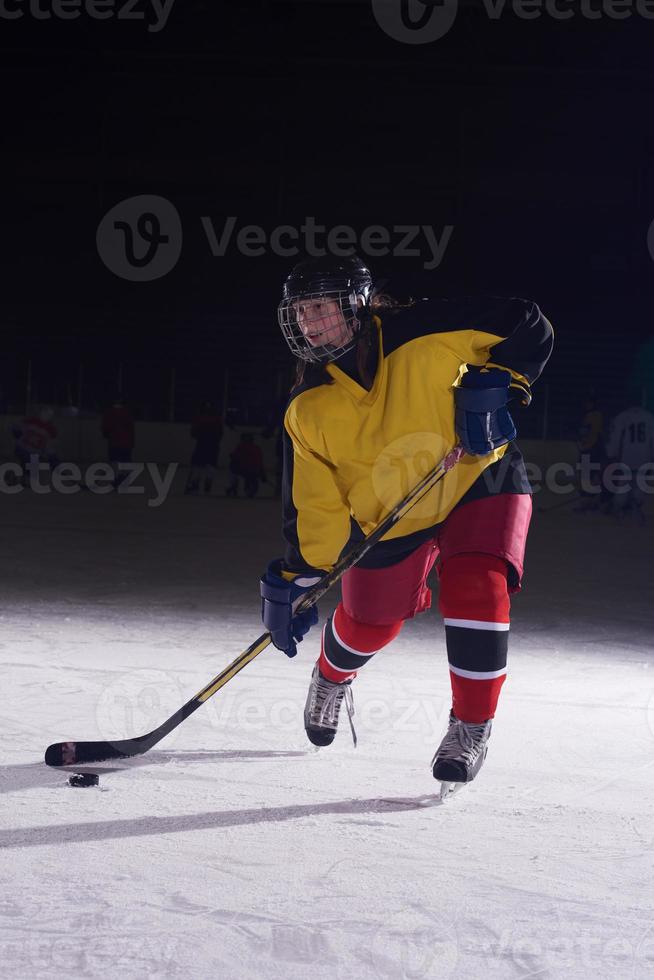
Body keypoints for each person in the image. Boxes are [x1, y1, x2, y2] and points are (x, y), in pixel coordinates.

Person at [259, 254, 553, 798]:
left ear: (357, 302)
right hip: (393, 514)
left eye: (320, 307)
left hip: (476, 477)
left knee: (478, 585)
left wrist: (498, 381)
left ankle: (470, 726)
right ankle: (331, 677)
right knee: (370, 621)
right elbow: (315, 505)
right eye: (299, 313)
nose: (308, 322)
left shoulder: (427, 331)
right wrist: (300, 576)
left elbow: (525, 322)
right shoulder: (308, 408)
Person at [604, 401, 654, 525]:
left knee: (624, 485)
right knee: (639, 484)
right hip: (644, 456)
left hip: (628, 457)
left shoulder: (622, 416)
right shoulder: (649, 416)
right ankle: (635, 509)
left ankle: (618, 510)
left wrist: (611, 454)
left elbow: (615, 437)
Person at [185, 401, 223, 495]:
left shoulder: (199, 417)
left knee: (198, 464)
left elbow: (193, 432)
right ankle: (208, 481)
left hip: (202, 443)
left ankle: (195, 483)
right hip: (213, 443)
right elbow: (220, 432)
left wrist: (199, 434)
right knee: (211, 464)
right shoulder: (217, 418)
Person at [12, 405, 58, 484]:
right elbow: (16, 426)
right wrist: (17, 432)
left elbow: (50, 444)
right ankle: (17, 475)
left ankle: (22, 476)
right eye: (44, 413)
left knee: (33, 472)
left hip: (35, 453)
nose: (46, 416)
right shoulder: (31, 420)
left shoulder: (51, 429)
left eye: (49, 415)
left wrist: (50, 455)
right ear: (41, 413)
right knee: (27, 460)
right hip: (22, 449)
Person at [101, 397, 134, 486]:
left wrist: (107, 435)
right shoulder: (127, 413)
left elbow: (105, 428)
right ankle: (123, 479)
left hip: (114, 442)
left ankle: (117, 479)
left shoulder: (109, 413)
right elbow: (131, 428)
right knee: (126, 461)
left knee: (114, 461)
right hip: (126, 442)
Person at [226, 432, 266, 498]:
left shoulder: (240, 447)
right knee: (251, 477)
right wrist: (262, 474)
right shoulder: (257, 448)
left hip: (243, 469)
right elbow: (260, 463)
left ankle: (234, 485)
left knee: (233, 468)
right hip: (253, 470)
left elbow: (234, 457)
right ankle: (246, 489)